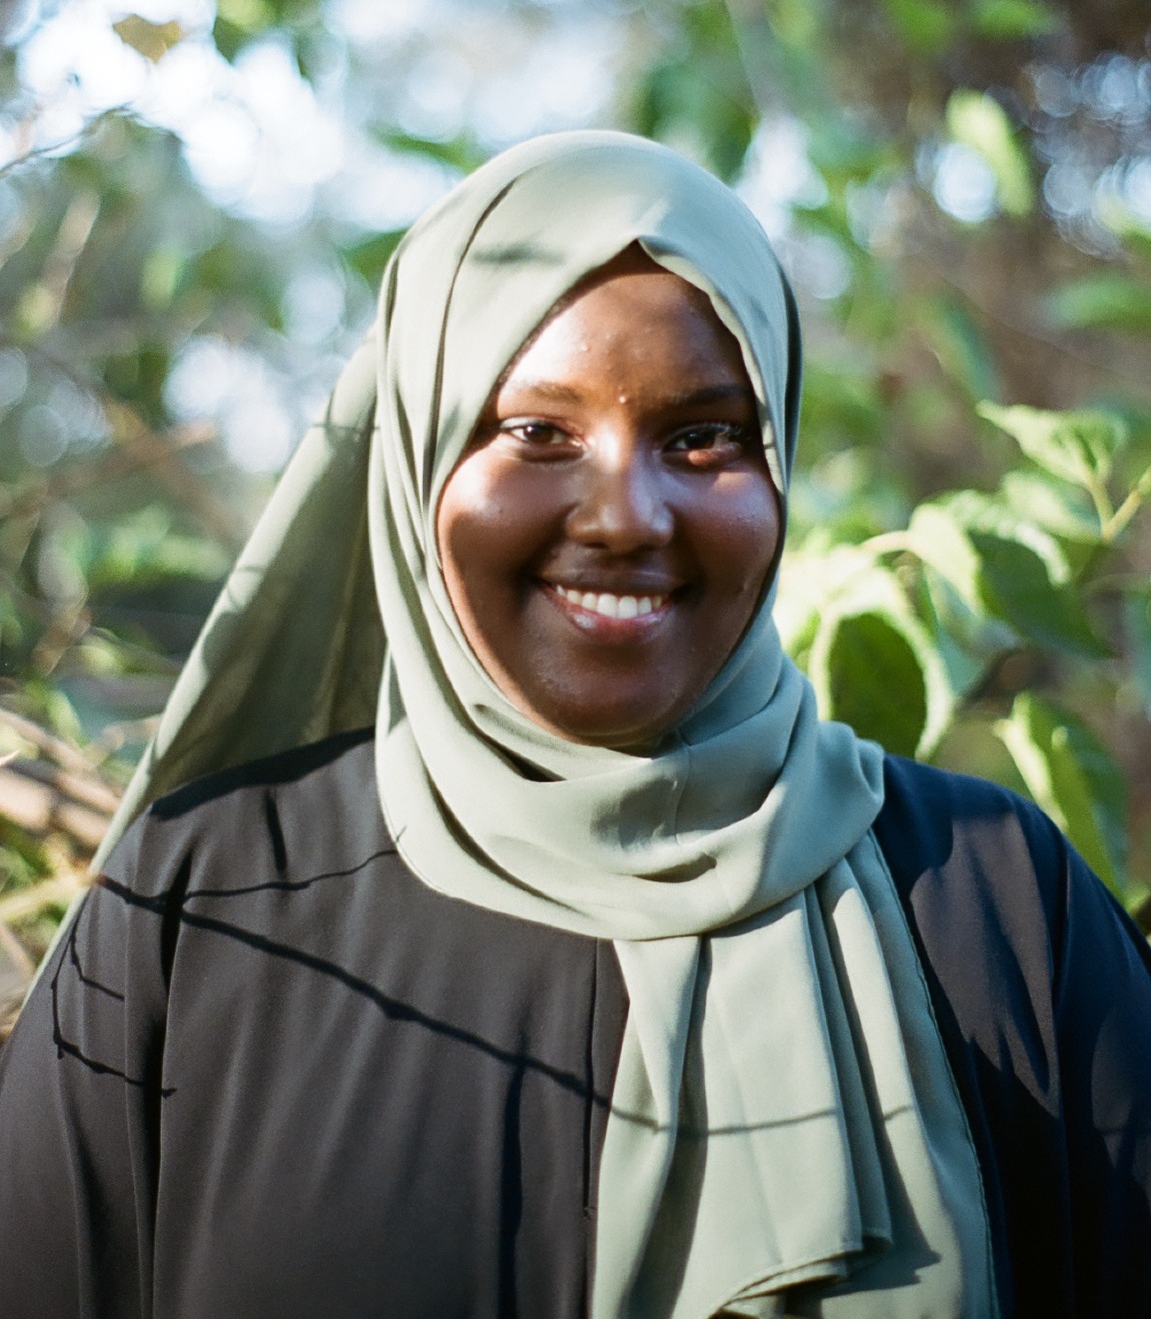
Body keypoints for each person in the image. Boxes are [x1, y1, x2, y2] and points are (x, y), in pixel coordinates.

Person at [1, 130, 1149, 1319]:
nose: (623, 515)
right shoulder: (202, 912)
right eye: (536, 433)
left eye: (702, 435)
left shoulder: (999, 908)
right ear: (413, 461)